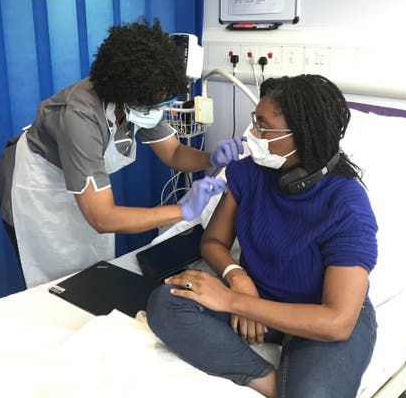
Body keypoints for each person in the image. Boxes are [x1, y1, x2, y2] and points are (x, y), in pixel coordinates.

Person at [146, 75, 378, 398]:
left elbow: (336, 321)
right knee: (166, 302)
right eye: (254, 121)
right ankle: (268, 382)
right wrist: (237, 277)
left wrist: (234, 302)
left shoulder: (347, 204)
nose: (251, 134)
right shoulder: (250, 172)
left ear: (302, 135)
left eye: (263, 127)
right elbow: (212, 242)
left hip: (317, 318)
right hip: (256, 296)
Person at [0, 18, 243, 288]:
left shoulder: (144, 100)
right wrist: (182, 210)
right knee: (51, 282)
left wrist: (211, 158)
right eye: (153, 104)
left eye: (162, 102)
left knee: (88, 272)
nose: (158, 110)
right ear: (127, 93)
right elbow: (103, 218)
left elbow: (173, 154)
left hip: (84, 188)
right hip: (38, 188)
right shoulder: (81, 116)